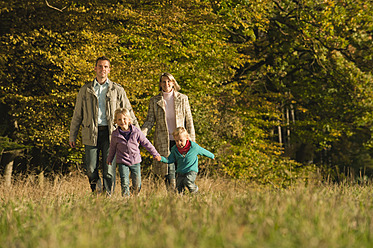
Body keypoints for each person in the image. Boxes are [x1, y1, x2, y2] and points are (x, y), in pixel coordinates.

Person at [69, 56, 139, 196]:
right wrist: (73, 135)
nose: (103, 69)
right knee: (90, 168)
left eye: (106, 67)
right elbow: (77, 114)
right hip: (91, 133)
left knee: (109, 169)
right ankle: (97, 192)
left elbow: (128, 110)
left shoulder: (117, 89)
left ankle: (108, 196)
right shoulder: (86, 90)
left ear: (109, 70)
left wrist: (137, 133)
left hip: (111, 133)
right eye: (100, 66)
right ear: (95, 68)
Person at [141, 73, 195, 190]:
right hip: (164, 142)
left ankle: (180, 198)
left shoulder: (183, 98)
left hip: (181, 141)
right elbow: (149, 121)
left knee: (181, 171)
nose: (166, 84)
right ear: (160, 84)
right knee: (168, 171)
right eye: (163, 82)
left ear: (173, 83)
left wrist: (192, 142)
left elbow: (189, 121)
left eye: (169, 81)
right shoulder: (155, 101)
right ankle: (172, 197)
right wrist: (141, 134)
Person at [107, 108, 161, 196]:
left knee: (137, 184)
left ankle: (134, 194)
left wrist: (155, 154)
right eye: (119, 119)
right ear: (116, 121)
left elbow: (146, 143)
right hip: (122, 161)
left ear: (129, 119)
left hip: (135, 161)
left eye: (124, 119)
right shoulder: (115, 134)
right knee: (124, 182)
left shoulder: (136, 131)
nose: (122, 121)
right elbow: (112, 147)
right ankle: (126, 199)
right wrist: (110, 158)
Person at [160, 127, 214, 194]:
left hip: (191, 170)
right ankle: (182, 199)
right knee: (179, 187)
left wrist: (212, 156)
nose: (179, 143)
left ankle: (196, 192)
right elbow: (170, 160)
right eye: (176, 141)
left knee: (188, 181)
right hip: (180, 172)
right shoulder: (174, 149)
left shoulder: (194, 147)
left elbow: (203, 151)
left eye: (181, 140)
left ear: (187, 138)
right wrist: (161, 158)